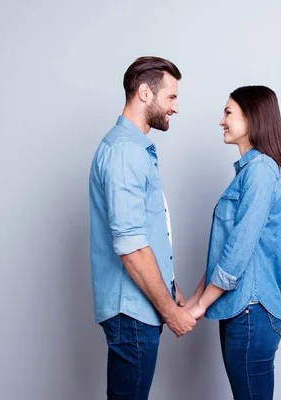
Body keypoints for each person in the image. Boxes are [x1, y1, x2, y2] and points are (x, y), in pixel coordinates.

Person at [88, 56, 196, 400]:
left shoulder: (134, 149)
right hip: (133, 310)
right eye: (172, 97)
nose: (176, 108)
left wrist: (171, 290)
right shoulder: (125, 152)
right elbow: (131, 245)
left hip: (140, 306)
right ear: (145, 93)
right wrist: (170, 312)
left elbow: (146, 231)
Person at [186, 85, 281, 399]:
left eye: (228, 112)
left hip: (252, 311)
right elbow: (225, 249)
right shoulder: (250, 172)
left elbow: (238, 250)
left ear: (252, 117)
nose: (222, 120)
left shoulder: (260, 170)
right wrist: (193, 302)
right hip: (243, 312)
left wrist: (200, 307)